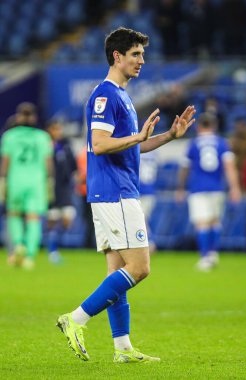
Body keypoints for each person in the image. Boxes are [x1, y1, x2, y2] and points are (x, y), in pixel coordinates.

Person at [56, 27, 196, 363]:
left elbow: (134, 146)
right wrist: (135, 137)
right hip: (115, 192)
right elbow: (101, 145)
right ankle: (75, 319)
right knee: (140, 267)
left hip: (115, 189)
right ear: (117, 56)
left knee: (116, 272)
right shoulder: (105, 95)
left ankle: (122, 349)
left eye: (143, 55)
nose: (141, 61)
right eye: (135, 54)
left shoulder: (123, 95)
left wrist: (169, 136)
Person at [176, 112, 241, 271]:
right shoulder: (222, 143)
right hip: (217, 188)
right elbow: (229, 167)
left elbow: (185, 168)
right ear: (214, 126)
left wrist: (180, 188)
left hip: (198, 188)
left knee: (202, 223)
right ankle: (213, 253)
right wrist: (234, 187)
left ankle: (205, 257)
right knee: (215, 222)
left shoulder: (193, 144)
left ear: (199, 127)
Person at [0, 103, 53, 269]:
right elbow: (48, 163)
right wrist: (50, 182)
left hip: (15, 180)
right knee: (34, 218)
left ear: (18, 117)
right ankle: (29, 256)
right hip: (37, 182)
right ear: (34, 117)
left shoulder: (9, 136)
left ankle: (18, 245)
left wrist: (2, 180)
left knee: (13, 215)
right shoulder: (42, 137)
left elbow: (5, 162)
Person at [46, 120, 77, 264]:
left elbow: (73, 166)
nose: (58, 132)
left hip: (65, 189)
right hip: (50, 188)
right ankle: (52, 251)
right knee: (52, 219)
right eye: (55, 129)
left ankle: (54, 244)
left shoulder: (65, 147)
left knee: (67, 219)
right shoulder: (45, 146)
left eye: (59, 129)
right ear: (49, 130)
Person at [75, 147, 94, 248]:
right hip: (88, 191)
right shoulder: (84, 153)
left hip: (88, 190)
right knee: (89, 219)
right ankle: (89, 243)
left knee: (89, 219)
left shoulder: (83, 153)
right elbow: (83, 174)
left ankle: (89, 242)